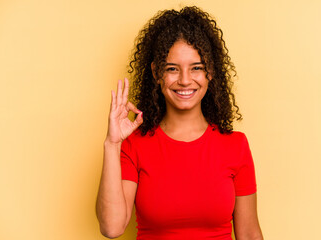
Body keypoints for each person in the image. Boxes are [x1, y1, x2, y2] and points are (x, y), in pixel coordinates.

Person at [96, 6, 263, 240]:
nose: (185, 80)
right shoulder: (134, 145)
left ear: (210, 72)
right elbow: (112, 228)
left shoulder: (236, 145)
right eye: (172, 69)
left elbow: (249, 234)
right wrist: (112, 144)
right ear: (156, 73)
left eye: (196, 68)